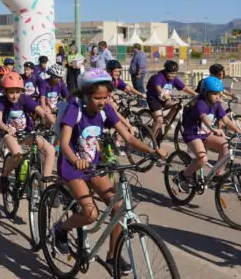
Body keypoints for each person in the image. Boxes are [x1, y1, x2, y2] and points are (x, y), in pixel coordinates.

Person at [52, 68, 166, 275]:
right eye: (97, 98)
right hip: (72, 166)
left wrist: (152, 151)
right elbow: (65, 143)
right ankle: (60, 229)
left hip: (94, 166)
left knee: (119, 207)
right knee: (91, 214)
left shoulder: (106, 110)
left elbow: (129, 138)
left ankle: (112, 256)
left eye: (106, 97)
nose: (103, 101)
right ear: (86, 95)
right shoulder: (74, 110)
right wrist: (76, 160)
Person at [172, 76, 241, 191]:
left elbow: (226, 120)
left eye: (219, 94)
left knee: (225, 145)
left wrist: (238, 131)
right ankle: (183, 176)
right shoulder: (200, 103)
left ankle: (218, 176)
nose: (217, 96)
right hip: (193, 134)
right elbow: (204, 118)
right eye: (214, 94)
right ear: (205, 93)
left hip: (205, 133)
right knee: (203, 159)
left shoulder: (216, 104)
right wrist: (214, 129)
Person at [0, 72, 56, 193]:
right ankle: (4, 176)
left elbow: (41, 111)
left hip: (27, 133)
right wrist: (7, 128)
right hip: (9, 134)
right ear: (5, 91)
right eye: (11, 92)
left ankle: (46, 185)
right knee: (18, 154)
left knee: (50, 150)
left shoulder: (24, 98)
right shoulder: (2, 101)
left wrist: (53, 122)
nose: (15, 96)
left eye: (17, 91)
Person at [146, 60, 197, 141]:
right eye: (171, 73)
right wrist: (163, 94)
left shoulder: (174, 79)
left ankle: (166, 120)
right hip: (154, 99)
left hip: (165, 100)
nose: (173, 75)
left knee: (178, 104)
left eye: (175, 73)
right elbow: (158, 87)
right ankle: (152, 141)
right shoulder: (159, 77)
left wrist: (195, 94)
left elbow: (184, 87)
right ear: (166, 71)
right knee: (159, 120)